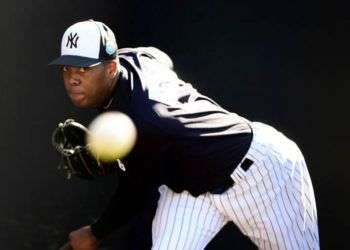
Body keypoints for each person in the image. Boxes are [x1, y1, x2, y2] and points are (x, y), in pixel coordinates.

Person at [49, 19, 319, 250]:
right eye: (68, 68)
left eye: (84, 68)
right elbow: (158, 56)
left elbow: (134, 193)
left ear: (110, 68)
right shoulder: (133, 59)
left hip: (260, 172)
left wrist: (95, 233)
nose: (73, 78)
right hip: (190, 188)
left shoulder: (148, 120)